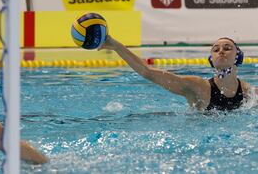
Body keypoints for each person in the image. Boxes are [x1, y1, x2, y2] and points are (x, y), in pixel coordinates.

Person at [99, 36, 258, 111]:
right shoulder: (198, 87)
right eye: (216, 50)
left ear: (239, 56)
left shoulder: (250, 94)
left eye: (227, 48)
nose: (221, 51)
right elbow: (148, 72)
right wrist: (116, 46)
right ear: (212, 60)